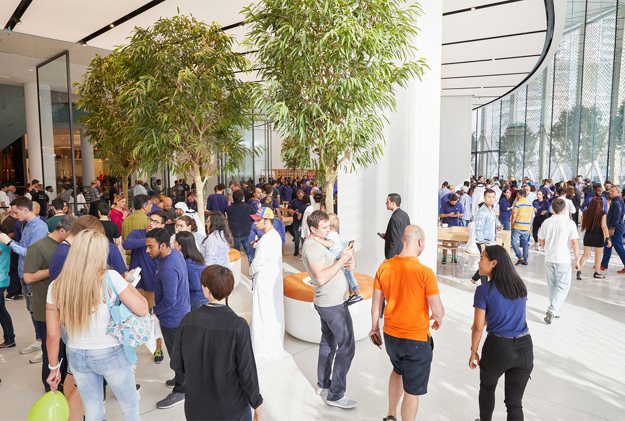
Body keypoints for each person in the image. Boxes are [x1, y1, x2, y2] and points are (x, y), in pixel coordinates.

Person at [45, 229, 148, 421]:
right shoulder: (110, 277)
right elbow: (142, 308)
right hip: (110, 352)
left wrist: (53, 368)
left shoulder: (57, 286)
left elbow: (52, 335)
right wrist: (129, 285)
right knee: (130, 405)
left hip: (76, 355)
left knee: (92, 410)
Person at [370, 225, 444, 421]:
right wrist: (438, 318)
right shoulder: (425, 273)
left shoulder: (384, 267)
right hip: (416, 341)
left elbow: (375, 305)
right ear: (419, 242)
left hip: (391, 337)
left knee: (397, 370)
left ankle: (391, 415)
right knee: (412, 390)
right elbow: (438, 311)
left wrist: (374, 328)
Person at [172, 265, 264, 420]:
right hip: (231, 408)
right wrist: (257, 403)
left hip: (196, 408)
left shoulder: (187, 320)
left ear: (206, 290)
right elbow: (247, 372)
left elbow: (177, 364)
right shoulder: (238, 326)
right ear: (229, 290)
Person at [469, 245, 533, 421]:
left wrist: (473, 350)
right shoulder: (520, 286)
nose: (479, 261)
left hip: (498, 348)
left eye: (482, 258)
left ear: (494, 263)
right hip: (525, 348)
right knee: (514, 403)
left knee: (488, 388)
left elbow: (478, 327)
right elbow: (511, 312)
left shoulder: (483, 290)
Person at [302, 210, 357, 409]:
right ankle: (336, 394)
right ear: (313, 229)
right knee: (347, 346)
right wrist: (342, 260)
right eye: (325, 228)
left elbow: (332, 265)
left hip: (330, 302)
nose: (329, 231)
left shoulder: (318, 243)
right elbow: (322, 277)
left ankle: (324, 384)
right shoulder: (312, 247)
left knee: (328, 343)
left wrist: (347, 261)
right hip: (332, 305)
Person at [23, 215, 75, 390]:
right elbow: (28, 277)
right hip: (45, 310)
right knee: (52, 353)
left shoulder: (67, 245)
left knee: (66, 351)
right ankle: (51, 389)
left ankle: (65, 387)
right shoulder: (38, 248)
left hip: (66, 308)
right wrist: (55, 269)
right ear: (62, 231)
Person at [146, 228, 190, 409]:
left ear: (163, 245)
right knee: (179, 353)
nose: (148, 251)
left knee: (176, 355)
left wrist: (153, 310)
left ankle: (181, 390)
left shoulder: (167, 268)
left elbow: (170, 300)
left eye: (151, 247)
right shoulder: (176, 255)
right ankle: (181, 379)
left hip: (173, 318)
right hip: (180, 313)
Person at [0, 197, 49, 356]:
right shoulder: (26, 224)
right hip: (25, 273)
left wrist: (9, 242)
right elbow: (24, 247)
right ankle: (39, 340)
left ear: (25, 210)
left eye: (15, 212)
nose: (13, 215)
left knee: (39, 310)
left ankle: (45, 346)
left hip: (34, 274)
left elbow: (31, 253)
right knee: (31, 309)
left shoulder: (39, 227)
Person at [123, 211, 166, 363]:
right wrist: (148, 240)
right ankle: (130, 350)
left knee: (155, 319)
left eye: (155, 221)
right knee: (131, 318)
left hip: (154, 286)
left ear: (162, 225)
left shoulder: (163, 240)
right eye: (150, 219)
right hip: (136, 286)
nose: (151, 223)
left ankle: (158, 348)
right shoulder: (137, 233)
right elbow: (126, 244)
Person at [249, 208, 285, 359]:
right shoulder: (274, 236)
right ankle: (273, 343)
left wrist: (250, 271)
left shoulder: (266, 239)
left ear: (267, 221)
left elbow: (257, 263)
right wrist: (257, 244)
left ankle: (262, 346)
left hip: (264, 281)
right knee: (272, 310)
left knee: (262, 313)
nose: (255, 223)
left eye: (258, 220)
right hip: (273, 281)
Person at [538, 198, 580, 325]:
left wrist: (547, 248)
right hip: (563, 259)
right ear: (564, 209)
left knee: (552, 285)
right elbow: (574, 242)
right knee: (563, 286)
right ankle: (552, 309)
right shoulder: (569, 223)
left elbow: (540, 240)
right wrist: (577, 259)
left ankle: (555, 310)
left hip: (549, 258)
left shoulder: (547, 222)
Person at [313, 213, 362, 304]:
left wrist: (318, 240)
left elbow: (330, 244)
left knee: (350, 277)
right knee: (348, 277)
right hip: (342, 258)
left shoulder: (331, 235)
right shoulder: (336, 234)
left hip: (342, 260)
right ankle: (352, 294)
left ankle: (357, 294)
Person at [173, 231, 207, 311]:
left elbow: (195, 286)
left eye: (175, 242)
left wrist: (179, 283)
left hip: (196, 299)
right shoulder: (196, 256)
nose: (173, 243)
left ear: (180, 246)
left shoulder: (190, 262)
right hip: (201, 296)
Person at [578, 196, 609, 280]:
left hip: (588, 235)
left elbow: (582, 223)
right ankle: (597, 273)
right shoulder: (602, 213)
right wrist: (608, 238)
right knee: (598, 256)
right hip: (599, 236)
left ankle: (579, 271)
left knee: (585, 255)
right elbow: (604, 226)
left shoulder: (586, 212)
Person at [600, 185, 625, 272]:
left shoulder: (617, 202)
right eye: (610, 191)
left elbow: (617, 217)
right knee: (607, 245)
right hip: (613, 227)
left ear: (618, 192)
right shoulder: (615, 201)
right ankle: (603, 264)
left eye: (613, 191)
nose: (611, 192)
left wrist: (612, 228)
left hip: (616, 229)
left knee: (619, 248)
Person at [227, 190, 256, 263]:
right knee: (250, 253)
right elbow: (255, 218)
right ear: (243, 197)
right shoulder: (249, 207)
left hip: (235, 233)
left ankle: (236, 269)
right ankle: (252, 269)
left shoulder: (229, 208)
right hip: (247, 233)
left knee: (235, 254)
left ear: (233, 198)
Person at [381, 193, 411, 260]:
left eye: (387, 201)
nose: (386, 203)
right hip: (404, 253)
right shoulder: (405, 215)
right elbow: (402, 234)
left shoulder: (395, 217)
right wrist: (387, 236)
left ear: (393, 203)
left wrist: (389, 258)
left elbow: (394, 240)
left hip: (395, 256)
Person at [510, 189, 533, 266]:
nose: (517, 197)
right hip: (526, 227)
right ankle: (525, 260)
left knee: (513, 242)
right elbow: (531, 217)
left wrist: (512, 224)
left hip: (517, 226)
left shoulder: (518, 204)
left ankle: (520, 257)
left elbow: (514, 216)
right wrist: (529, 227)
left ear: (521, 195)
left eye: (517, 195)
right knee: (525, 243)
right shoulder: (530, 204)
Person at [0, 238, 15, 349]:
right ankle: (9, 339)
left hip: (0, 280)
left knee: (2, 312)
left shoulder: (2, 242)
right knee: (1, 311)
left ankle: (9, 339)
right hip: (2, 279)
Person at [287, 189, 308, 256]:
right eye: (298, 193)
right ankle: (296, 251)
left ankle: (304, 251)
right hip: (296, 221)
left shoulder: (306, 202)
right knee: (296, 237)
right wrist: (294, 212)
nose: (299, 195)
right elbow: (289, 209)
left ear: (303, 193)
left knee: (303, 237)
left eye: (301, 193)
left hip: (304, 222)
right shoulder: (293, 202)